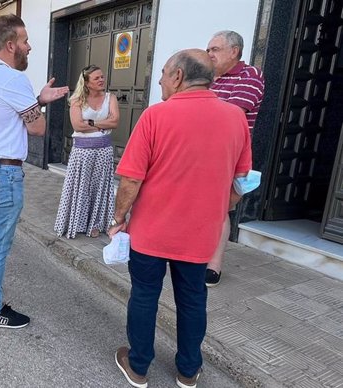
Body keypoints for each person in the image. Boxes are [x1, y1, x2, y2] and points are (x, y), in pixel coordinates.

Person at [107, 49, 252, 388]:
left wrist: (117, 218)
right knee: (193, 300)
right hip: (200, 235)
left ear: (178, 77)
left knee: (144, 295)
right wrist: (220, 209)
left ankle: (139, 366)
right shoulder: (235, 118)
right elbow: (243, 180)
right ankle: (188, 371)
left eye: (162, 73)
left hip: (151, 233)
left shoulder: (155, 116)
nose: (158, 80)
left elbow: (131, 179)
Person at [0, 14, 69, 329]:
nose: (29, 47)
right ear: (11, 45)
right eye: (24, 41)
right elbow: (37, 126)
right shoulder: (13, 79)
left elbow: (12, 116)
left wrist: (37, 99)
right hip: (3, 175)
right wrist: (38, 105)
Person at [205, 30, 265, 287]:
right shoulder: (207, 78)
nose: (209, 54)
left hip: (227, 155)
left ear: (234, 51)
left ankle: (213, 265)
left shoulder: (249, 76)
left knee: (219, 209)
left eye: (214, 49)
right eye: (207, 50)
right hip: (197, 151)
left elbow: (232, 113)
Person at [55, 64, 119, 239]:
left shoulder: (110, 98)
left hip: (104, 150)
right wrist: (101, 123)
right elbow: (77, 126)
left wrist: (91, 123)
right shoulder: (77, 100)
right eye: (97, 78)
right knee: (81, 187)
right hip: (82, 152)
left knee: (99, 188)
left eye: (102, 77)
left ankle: (95, 224)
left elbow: (114, 122)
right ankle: (77, 222)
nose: (101, 80)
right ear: (87, 82)